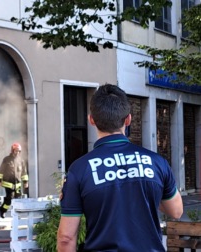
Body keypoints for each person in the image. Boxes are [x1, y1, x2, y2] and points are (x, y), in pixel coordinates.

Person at [57, 84, 183, 252]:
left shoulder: (79, 170)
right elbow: (175, 211)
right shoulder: (157, 162)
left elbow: (66, 238)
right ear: (128, 119)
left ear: (91, 120)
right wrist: (145, 191)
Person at [0, 142, 29, 218]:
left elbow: (24, 172)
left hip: (17, 184)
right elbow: (1, 170)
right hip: (8, 183)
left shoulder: (21, 160)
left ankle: (17, 215)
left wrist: (25, 182)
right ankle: (2, 210)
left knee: (18, 199)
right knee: (9, 199)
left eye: (18, 151)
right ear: (12, 150)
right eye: (16, 150)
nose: (17, 152)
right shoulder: (6, 159)